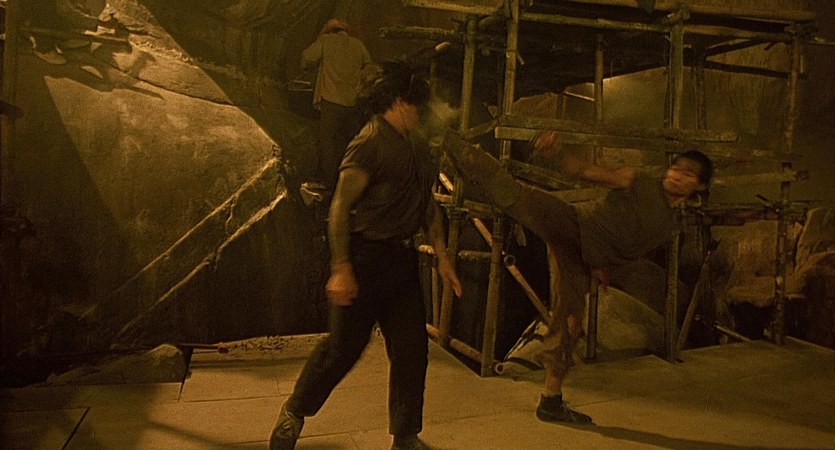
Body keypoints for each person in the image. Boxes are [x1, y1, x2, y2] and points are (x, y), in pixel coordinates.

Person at [443, 130, 713, 425]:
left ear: (700, 185)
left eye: (688, 174)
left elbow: (623, 239)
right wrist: (556, 153)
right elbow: (584, 171)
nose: (677, 175)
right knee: (517, 196)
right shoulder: (639, 181)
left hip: (581, 257)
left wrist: (600, 264)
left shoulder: (669, 225)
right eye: (676, 168)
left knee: (570, 324)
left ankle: (550, 400)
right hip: (572, 224)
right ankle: (449, 143)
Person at [269, 60, 463, 450]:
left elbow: (426, 205)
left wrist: (442, 256)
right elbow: (340, 207)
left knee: (411, 350)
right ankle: (294, 412)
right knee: (342, 349)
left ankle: (405, 436)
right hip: (365, 258)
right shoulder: (370, 141)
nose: (422, 113)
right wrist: (341, 267)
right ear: (399, 102)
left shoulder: (417, 145)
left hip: (401, 262)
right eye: (416, 105)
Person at [300, 18, 372, 190]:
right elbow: (369, 66)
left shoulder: (326, 40)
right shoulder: (358, 45)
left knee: (327, 142)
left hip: (331, 100)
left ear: (330, 31)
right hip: (352, 102)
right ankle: (353, 184)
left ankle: (331, 184)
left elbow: (306, 59)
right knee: (351, 143)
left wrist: (320, 37)